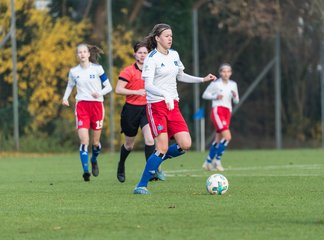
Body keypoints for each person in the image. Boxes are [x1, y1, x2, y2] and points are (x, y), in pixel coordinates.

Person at [133, 23, 217, 194]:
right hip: (156, 106)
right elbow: (148, 85)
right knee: (162, 147)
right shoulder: (152, 58)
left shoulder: (174, 55)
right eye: (166, 36)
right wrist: (164, 95)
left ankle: (157, 161)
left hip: (173, 106)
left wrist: (202, 79)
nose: (170, 38)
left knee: (185, 144)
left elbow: (181, 75)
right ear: (157, 38)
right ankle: (141, 185)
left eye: (171, 35)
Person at [115, 42, 164, 183]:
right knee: (129, 145)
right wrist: (135, 92)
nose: (143, 55)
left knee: (150, 139)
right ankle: (121, 164)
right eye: (140, 52)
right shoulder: (128, 71)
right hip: (131, 110)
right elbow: (118, 89)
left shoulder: (152, 71)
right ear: (135, 54)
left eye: (145, 53)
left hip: (146, 109)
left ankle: (151, 172)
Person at [62, 43, 112, 182]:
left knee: (95, 142)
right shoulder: (74, 72)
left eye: (85, 52)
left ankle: (94, 159)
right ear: (77, 55)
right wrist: (65, 98)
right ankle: (85, 171)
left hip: (97, 106)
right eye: (80, 52)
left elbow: (108, 87)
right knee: (84, 140)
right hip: (82, 106)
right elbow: (70, 85)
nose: (82, 54)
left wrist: (99, 93)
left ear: (89, 54)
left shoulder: (98, 69)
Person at [201, 63, 239, 172]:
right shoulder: (216, 84)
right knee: (227, 137)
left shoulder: (233, 84)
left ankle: (207, 162)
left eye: (228, 71)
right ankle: (217, 161)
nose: (226, 73)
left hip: (227, 111)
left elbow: (236, 101)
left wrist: (235, 96)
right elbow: (205, 95)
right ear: (220, 72)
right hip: (218, 110)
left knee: (218, 139)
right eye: (223, 71)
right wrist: (215, 96)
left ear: (231, 73)